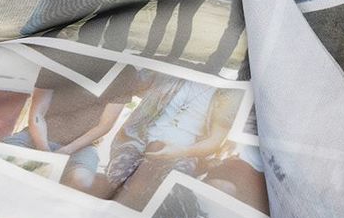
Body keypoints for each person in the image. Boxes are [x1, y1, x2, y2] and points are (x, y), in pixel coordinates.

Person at [4, 57, 152, 195]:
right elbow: (37, 114)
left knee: (81, 181)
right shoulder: (58, 58)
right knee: (4, 160)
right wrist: (44, 151)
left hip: (82, 147)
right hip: (34, 137)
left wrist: (67, 150)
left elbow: (105, 125)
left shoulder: (125, 72)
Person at [97, 76, 240, 209]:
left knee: (167, 193)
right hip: (138, 144)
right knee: (122, 180)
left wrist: (181, 151)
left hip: (185, 153)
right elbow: (133, 82)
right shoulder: (174, 74)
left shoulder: (228, 93)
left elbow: (215, 141)